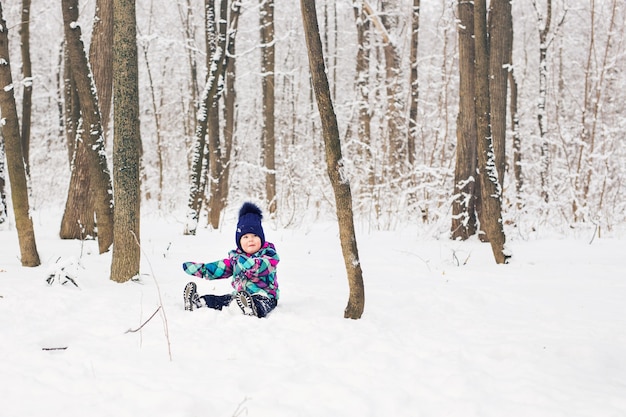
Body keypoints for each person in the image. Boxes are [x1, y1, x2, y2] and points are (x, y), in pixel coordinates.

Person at [182, 202, 280, 318]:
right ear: (239, 241)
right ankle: (198, 302)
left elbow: (260, 268)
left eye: (255, 236)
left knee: (261, 303)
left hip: (265, 295)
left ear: (261, 238)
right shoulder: (236, 258)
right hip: (240, 297)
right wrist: (200, 269)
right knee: (221, 300)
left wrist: (240, 260)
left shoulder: (269, 254)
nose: (251, 240)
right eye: (245, 237)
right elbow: (219, 268)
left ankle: (252, 308)